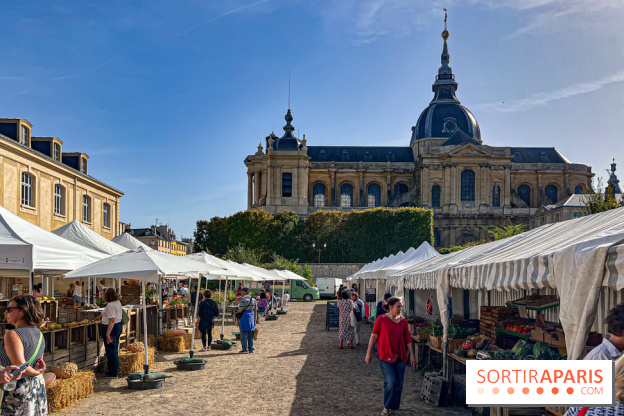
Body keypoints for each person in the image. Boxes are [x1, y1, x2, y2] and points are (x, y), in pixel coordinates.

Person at [366, 296, 416, 416]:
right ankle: (387, 407)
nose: (400, 309)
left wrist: (412, 355)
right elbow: (374, 336)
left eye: (401, 307)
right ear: (391, 307)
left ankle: (392, 407)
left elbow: (408, 338)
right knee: (391, 382)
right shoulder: (381, 319)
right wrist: (368, 353)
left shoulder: (403, 321)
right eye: (398, 307)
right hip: (385, 355)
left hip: (400, 356)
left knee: (398, 384)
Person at [0, 295, 48, 414]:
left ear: (22, 311)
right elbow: (39, 363)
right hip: (36, 387)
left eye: (9, 309)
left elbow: (20, 366)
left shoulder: (12, 335)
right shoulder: (39, 334)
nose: (6, 313)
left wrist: (36, 371)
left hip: (17, 389)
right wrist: (38, 372)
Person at [96, 288, 123, 378]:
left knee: (111, 350)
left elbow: (112, 320)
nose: (102, 296)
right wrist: (102, 315)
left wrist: (108, 334)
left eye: (103, 294)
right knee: (114, 349)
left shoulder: (111, 305)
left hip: (112, 327)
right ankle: (113, 370)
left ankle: (112, 373)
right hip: (118, 326)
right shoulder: (117, 302)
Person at [237, 288, 257, 354]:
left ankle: (245, 349)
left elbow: (240, 310)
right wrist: (255, 320)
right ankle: (251, 348)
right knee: (251, 333)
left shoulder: (243, 300)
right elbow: (255, 310)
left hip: (244, 317)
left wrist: (237, 310)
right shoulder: (253, 299)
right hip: (251, 317)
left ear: (244, 292)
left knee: (244, 333)